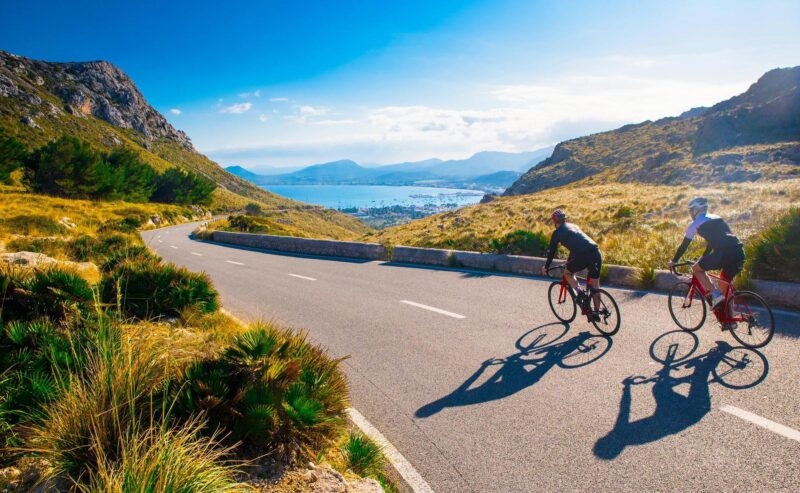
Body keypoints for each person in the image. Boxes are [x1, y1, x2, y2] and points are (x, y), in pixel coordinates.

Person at [668, 197, 745, 311]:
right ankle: (730, 319)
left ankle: (715, 294)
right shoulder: (718, 218)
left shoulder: (695, 224)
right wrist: (704, 257)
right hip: (739, 251)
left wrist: (674, 261)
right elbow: (713, 242)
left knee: (696, 269)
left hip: (724, 253)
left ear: (695, 210)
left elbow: (684, 245)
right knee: (723, 282)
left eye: (691, 210)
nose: (690, 213)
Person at [540, 209, 603, 318]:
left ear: (554, 222)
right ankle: (596, 313)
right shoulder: (574, 226)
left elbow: (551, 252)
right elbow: (577, 244)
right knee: (595, 285)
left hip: (583, 256)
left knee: (567, 273)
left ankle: (580, 292)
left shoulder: (557, 233)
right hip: (596, 252)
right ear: (565, 219)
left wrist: (546, 267)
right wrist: (569, 260)